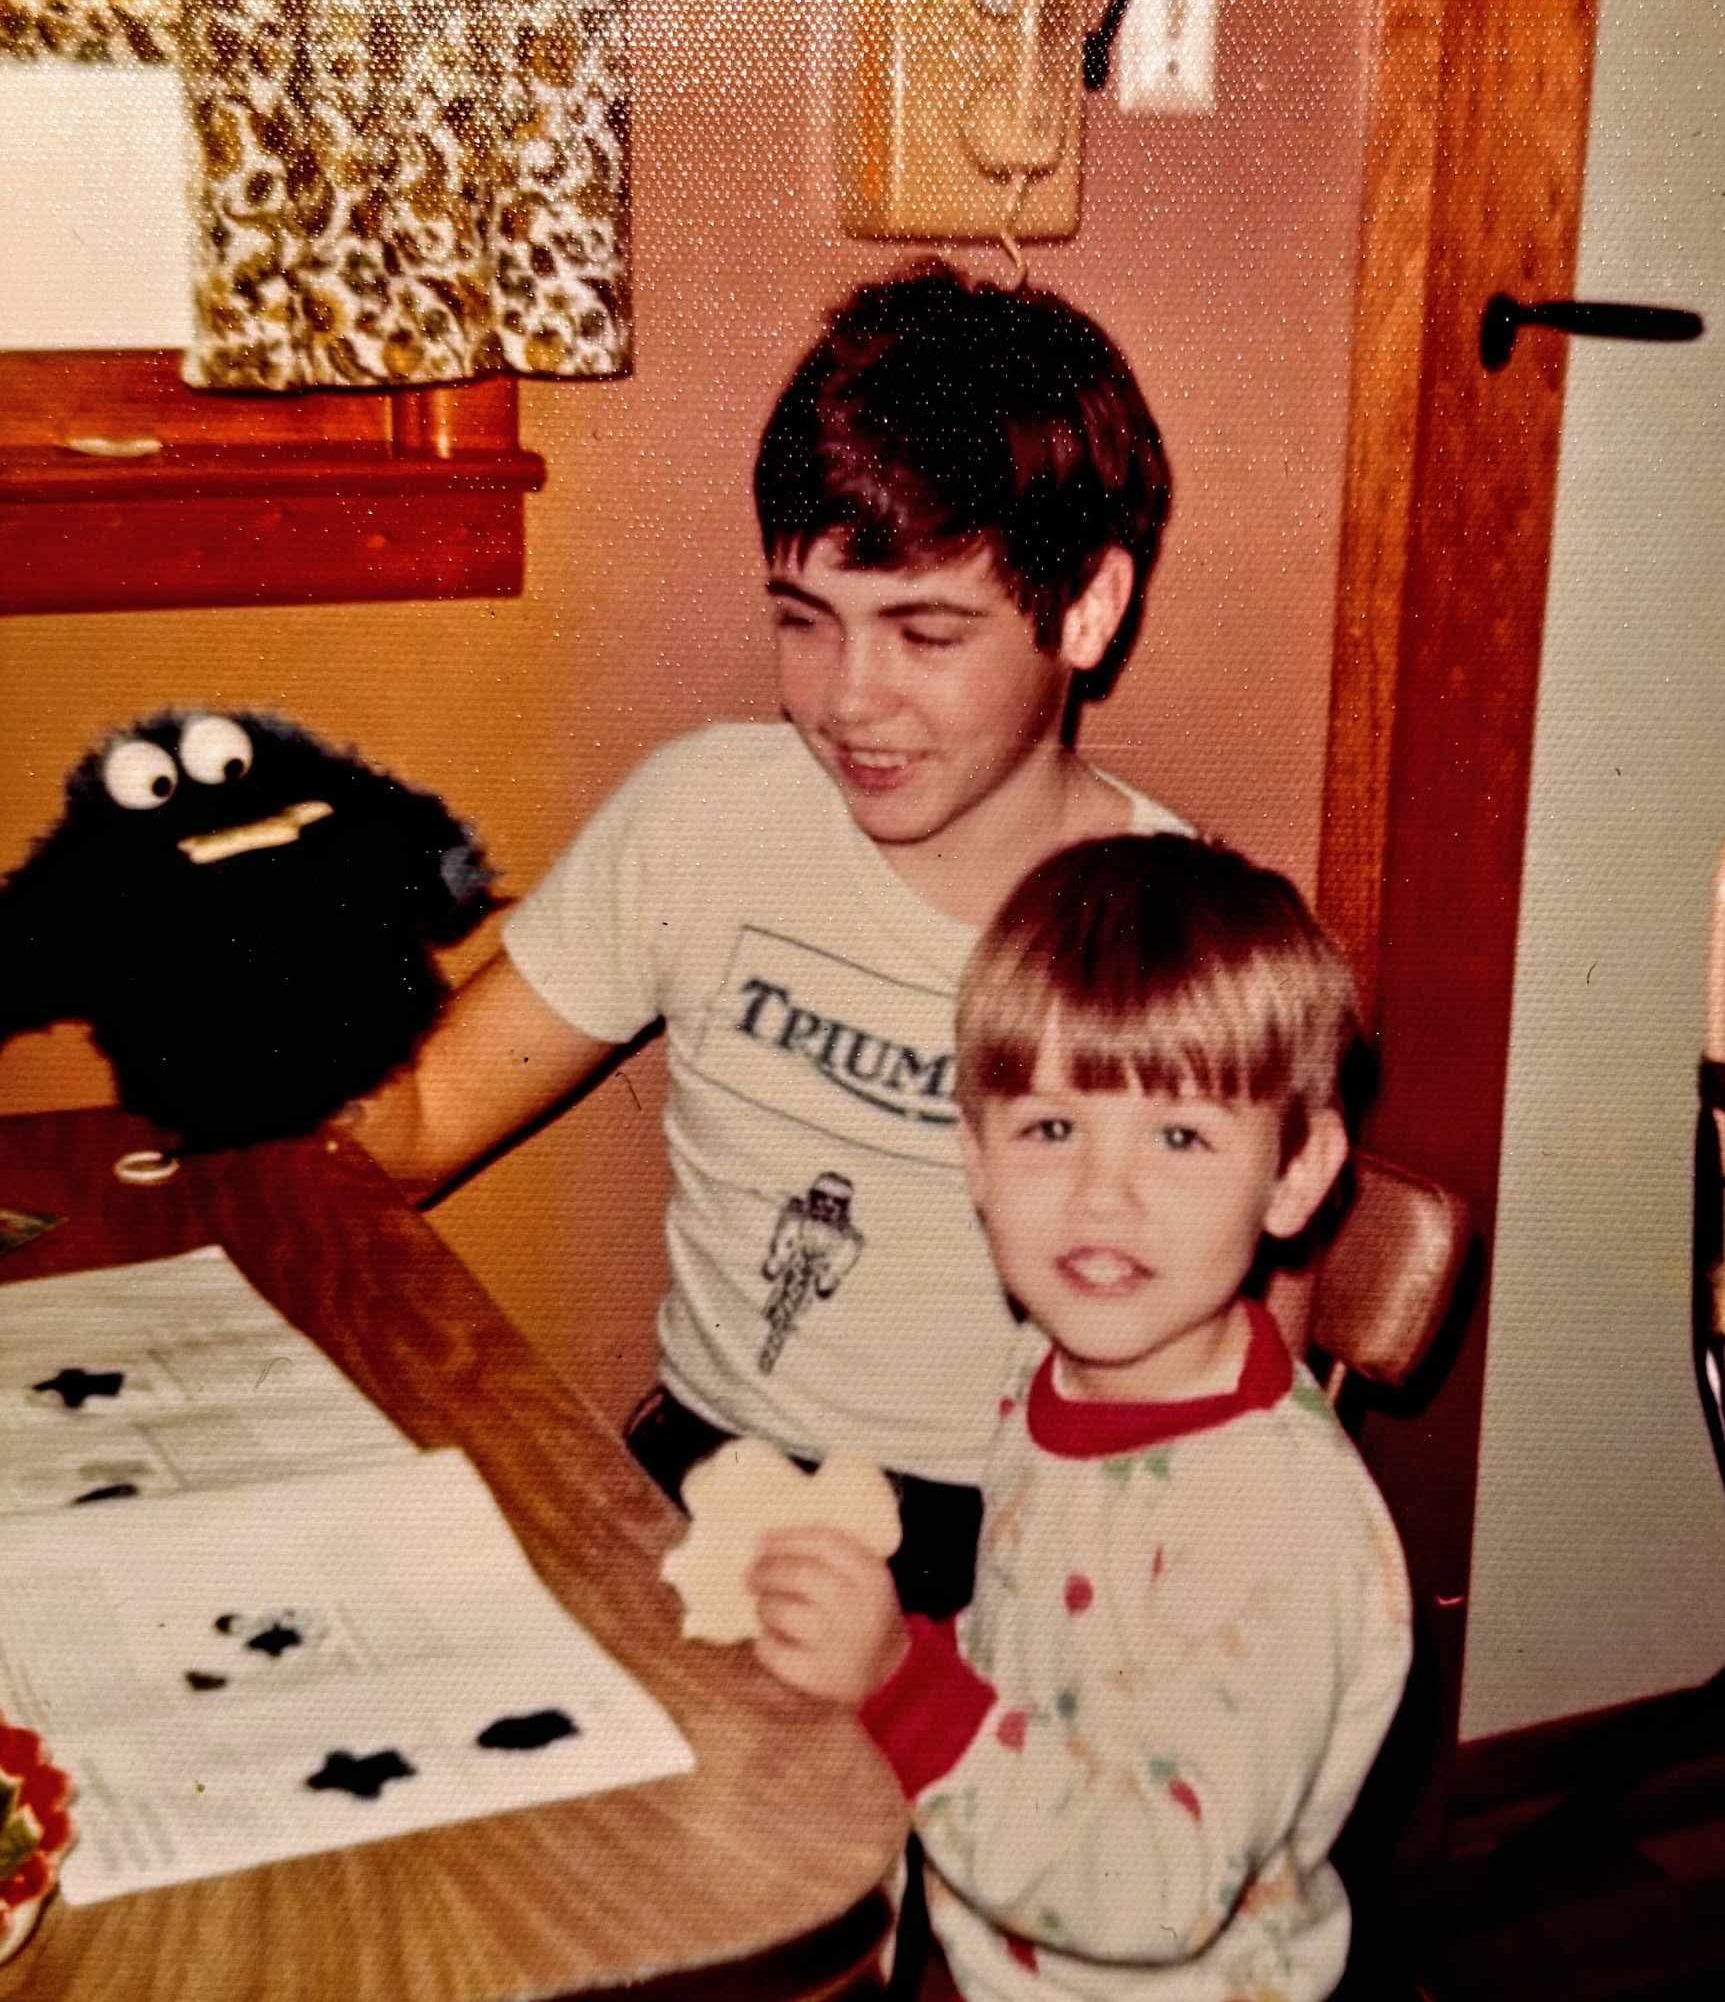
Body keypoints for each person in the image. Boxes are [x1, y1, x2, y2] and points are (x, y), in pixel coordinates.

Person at [343, 260, 1182, 1620]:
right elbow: (426, 1112)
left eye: (925, 632)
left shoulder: (1177, 941)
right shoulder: (704, 816)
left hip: (1015, 1550)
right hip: (705, 1492)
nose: (848, 700)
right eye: (805, 621)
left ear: (1085, 609)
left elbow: (1226, 1431)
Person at [747, 832, 1413, 2002]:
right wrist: (903, 1646)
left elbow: (1162, 1882)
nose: (1104, 1195)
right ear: (978, 1161)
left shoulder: (1271, 1519)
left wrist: (904, 1684)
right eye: (1053, 1129)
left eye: (1180, 1136)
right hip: (996, 1950)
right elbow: (1052, 1657)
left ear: (1296, 1175)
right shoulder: (1045, 1369)